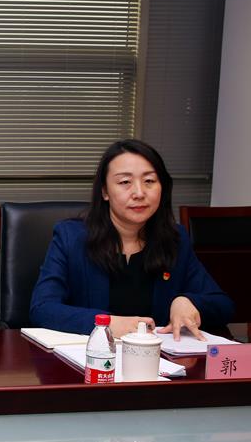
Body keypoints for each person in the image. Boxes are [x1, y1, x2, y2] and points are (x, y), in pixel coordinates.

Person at [30, 138, 234, 339]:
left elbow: (223, 305)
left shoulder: (175, 239)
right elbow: (42, 308)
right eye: (125, 182)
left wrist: (188, 301)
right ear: (105, 191)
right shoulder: (71, 238)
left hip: (157, 358)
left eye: (149, 181)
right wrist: (107, 323)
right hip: (92, 356)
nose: (139, 193)